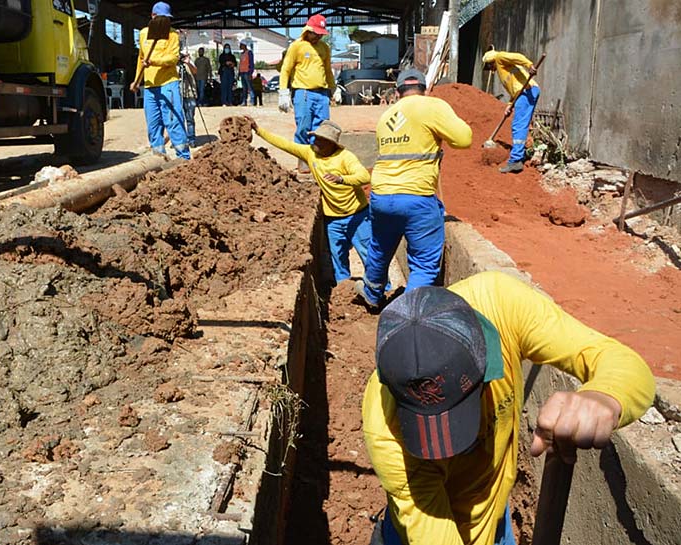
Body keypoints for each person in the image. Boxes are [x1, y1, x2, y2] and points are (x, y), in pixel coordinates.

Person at [362, 270, 655, 545]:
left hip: (494, 515)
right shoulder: (385, 430)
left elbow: (617, 359)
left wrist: (605, 396)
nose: (448, 450)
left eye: (459, 412)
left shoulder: (501, 304)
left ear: (487, 365)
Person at [355, 69, 472, 308]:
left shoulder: (386, 116)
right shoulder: (432, 106)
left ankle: (372, 294)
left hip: (381, 195)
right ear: (425, 89)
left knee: (380, 247)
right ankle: (407, 315)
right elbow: (464, 139)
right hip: (416, 196)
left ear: (397, 93)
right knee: (424, 263)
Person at [247, 117, 371, 285]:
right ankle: (344, 288)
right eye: (316, 137)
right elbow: (285, 145)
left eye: (320, 139)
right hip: (333, 219)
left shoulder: (345, 157)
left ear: (331, 143)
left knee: (368, 254)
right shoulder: (310, 152)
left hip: (357, 216)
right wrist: (258, 130)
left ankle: (383, 289)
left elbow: (363, 176)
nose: (315, 142)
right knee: (337, 256)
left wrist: (342, 179)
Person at [130, 2, 190, 160]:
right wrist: (136, 80)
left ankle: (184, 158)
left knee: (173, 121)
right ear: (153, 17)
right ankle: (158, 160)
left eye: (167, 19)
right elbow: (141, 58)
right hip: (150, 87)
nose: (165, 22)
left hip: (168, 84)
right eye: (161, 18)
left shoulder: (173, 35)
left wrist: (154, 61)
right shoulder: (143, 34)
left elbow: (172, 58)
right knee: (153, 126)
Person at [277, 14, 335, 173]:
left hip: (322, 93)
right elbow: (286, 69)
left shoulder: (324, 48)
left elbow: (328, 70)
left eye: (320, 34)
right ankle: (303, 160)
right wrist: (283, 91)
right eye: (315, 33)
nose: (317, 37)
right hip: (303, 93)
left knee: (322, 128)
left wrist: (333, 88)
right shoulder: (297, 46)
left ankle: (318, 160)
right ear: (307, 30)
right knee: (303, 126)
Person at [483, 47, 540, 174]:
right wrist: (510, 104)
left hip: (526, 92)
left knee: (518, 125)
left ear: (490, 61)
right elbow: (515, 88)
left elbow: (518, 56)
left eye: (489, 67)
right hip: (523, 93)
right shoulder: (502, 69)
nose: (491, 70)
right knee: (521, 124)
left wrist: (529, 65)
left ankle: (515, 161)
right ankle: (518, 156)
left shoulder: (500, 57)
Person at [178, 51, 197, 147]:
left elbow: (195, 71)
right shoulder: (174, 65)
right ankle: (180, 140)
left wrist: (188, 62)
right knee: (178, 118)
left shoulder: (188, 62)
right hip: (177, 94)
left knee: (190, 118)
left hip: (189, 93)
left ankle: (191, 139)